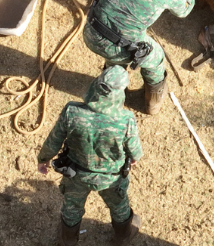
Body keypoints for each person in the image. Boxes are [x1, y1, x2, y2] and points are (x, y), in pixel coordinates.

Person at [83, 0, 204, 115]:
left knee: (119, 42)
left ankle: (112, 74)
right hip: (117, 48)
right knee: (156, 58)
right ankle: (151, 104)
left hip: (91, 32)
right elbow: (184, 10)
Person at [37, 65, 143, 246]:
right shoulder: (126, 119)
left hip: (76, 174)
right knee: (119, 206)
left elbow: (54, 140)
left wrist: (43, 159)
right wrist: (133, 158)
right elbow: (135, 153)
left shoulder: (72, 111)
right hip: (112, 178)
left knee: (72, 207)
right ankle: (123, 235)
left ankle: (68, 240)